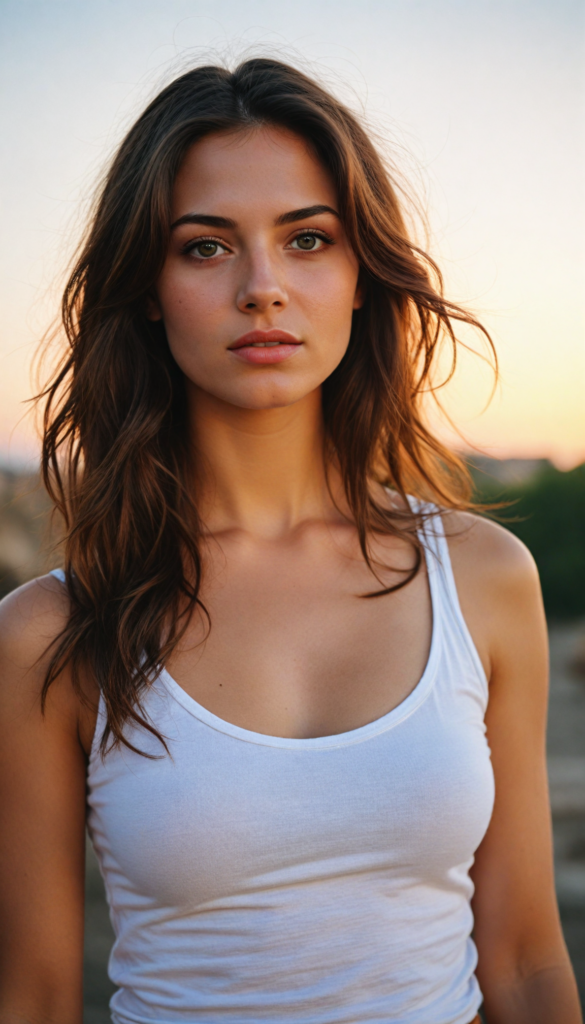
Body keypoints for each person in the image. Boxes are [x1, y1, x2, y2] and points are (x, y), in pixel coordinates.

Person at [0, 58, 580, 1024]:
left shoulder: (481, 577)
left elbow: (522, 959)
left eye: (308, 239)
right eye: (205, 248)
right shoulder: (51, 633)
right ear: (147, 287)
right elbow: (37, 995)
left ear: (361, 278)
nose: (263, 288)